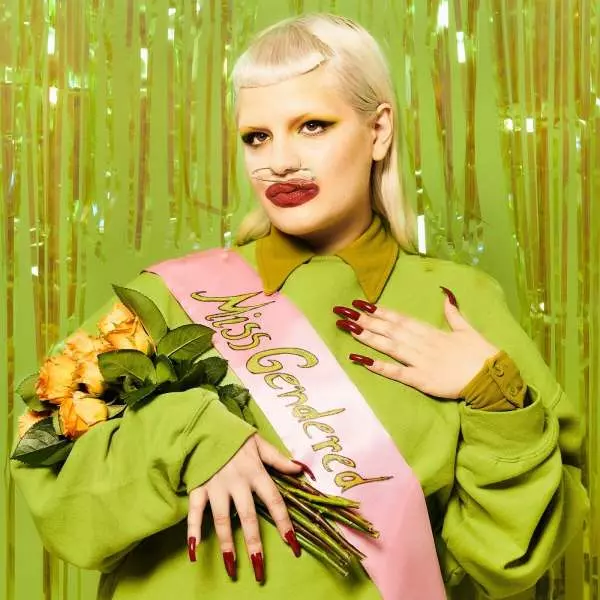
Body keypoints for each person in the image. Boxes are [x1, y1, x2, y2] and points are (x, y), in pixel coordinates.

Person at [11, 12, 588, 600]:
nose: (279, 161)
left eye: (312, 126)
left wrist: (494, 400)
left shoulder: (458, 304)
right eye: (257, 137)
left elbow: (509, 557)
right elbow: (50, 474)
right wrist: (187, 433)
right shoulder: (169, 295)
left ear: (379, 130)